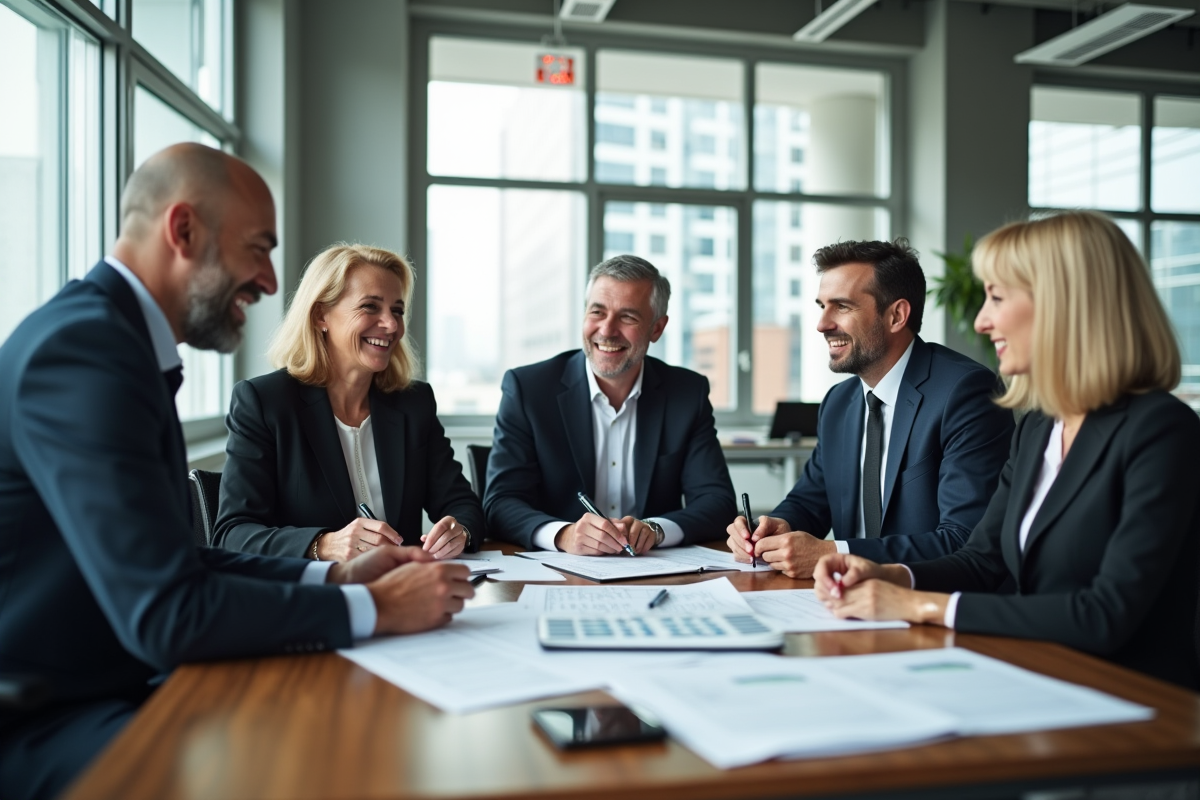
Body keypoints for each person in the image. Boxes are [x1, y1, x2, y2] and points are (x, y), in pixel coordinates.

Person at [0, 144, 474, 800]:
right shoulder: (84, 353)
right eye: (259, 248)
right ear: (184, 231)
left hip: (109, 685)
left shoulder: (115, 344)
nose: (272, 281)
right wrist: (370, 607)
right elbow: (170, 612)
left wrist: (335, 575)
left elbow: (183, 562)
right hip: (47, 716)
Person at [813, 211, 1200, 690]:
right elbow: (982, 560)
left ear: (1065, 305)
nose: (981, 320)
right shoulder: (1040, 425)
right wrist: (887, 574)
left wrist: (920, 605)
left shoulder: (1162, 431)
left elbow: (1104, 614)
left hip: (1132, 705)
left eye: (996, 297)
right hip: (1034, 677)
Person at [726, 239, 1014, 578]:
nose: (822, 324)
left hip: (931, 606)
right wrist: (772, 527)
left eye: (842, 307)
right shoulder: (838, 403)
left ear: (896, 315)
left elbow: (964, 539)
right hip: (847, 605)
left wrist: (834, 553)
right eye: (822, 306)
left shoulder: (965, 393)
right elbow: (809, 502)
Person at [213, 244, 484, 562]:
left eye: (397, 310)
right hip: (313, 599)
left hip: (403, 593)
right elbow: (233, 534)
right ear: (320, 316)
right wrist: (324, 545)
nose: (392, 325)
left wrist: (459, 531)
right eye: (370, 307)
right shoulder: (264, 403)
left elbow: (463, 504)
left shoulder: (414, 404)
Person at [484, 255, 736, 554]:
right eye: (597, 312)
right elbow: (500, 502)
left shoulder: (686, 393)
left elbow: (717, 502)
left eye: (628, 317)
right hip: (557, 574)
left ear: (657, 328)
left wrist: (656, 529)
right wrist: (564, 535)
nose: (606, 330)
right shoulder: (528, 389)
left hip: (655, 570)